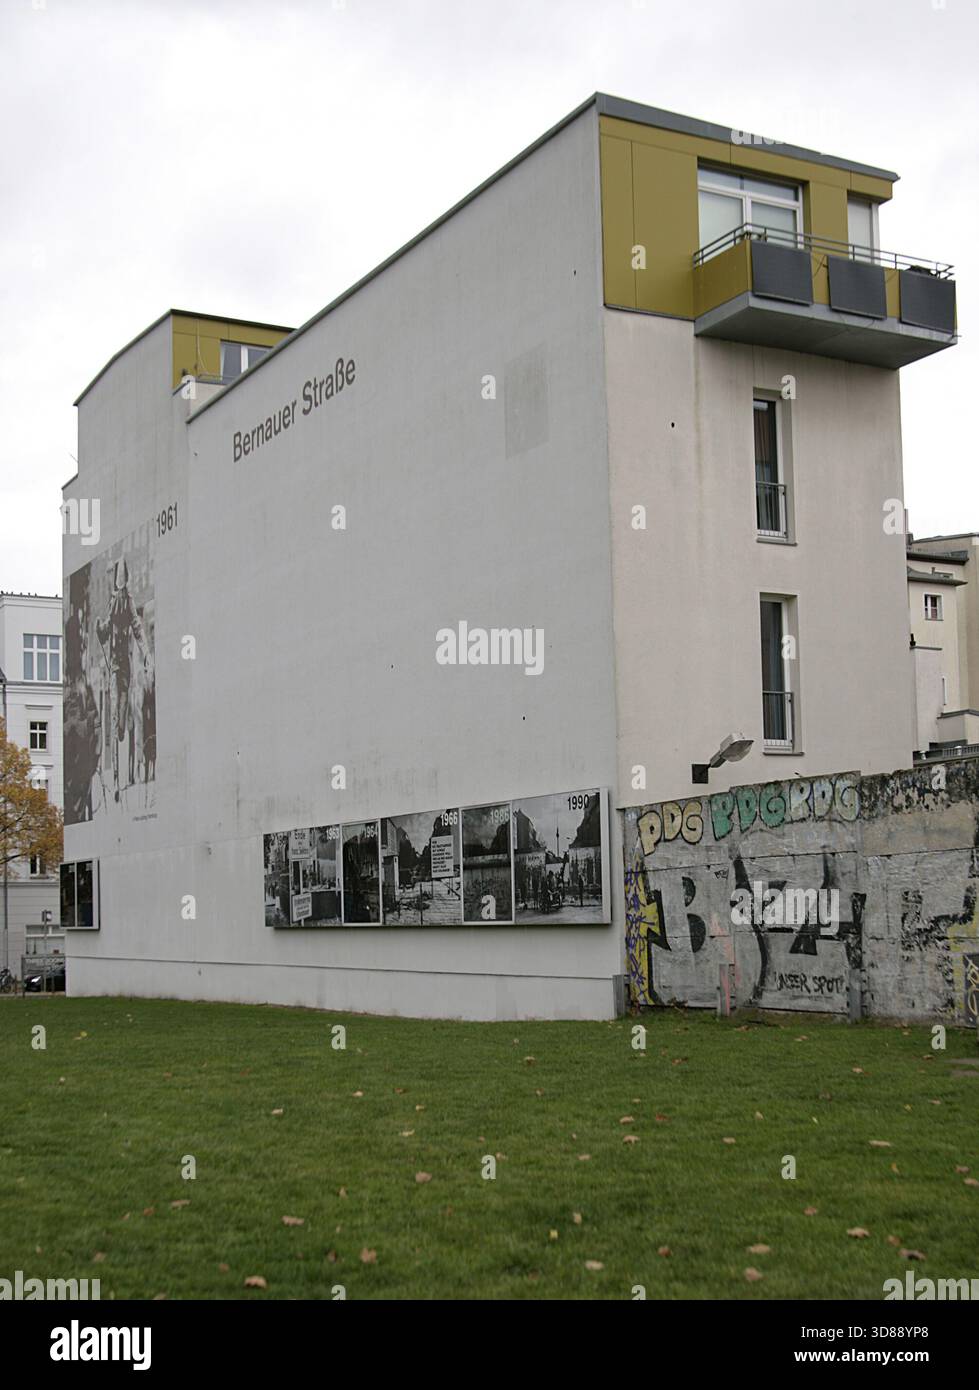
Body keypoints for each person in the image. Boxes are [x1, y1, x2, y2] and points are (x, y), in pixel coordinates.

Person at [96, 557, 149, 803]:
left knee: (121, 722)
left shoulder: (127, 602)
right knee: (115, 716)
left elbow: (137, 627)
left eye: (119, 576)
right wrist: (100, 627)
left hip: (125, 667)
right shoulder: (112, 603)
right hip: (115, 669)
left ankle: (120, 738)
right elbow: (106, 630)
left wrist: (146, 652)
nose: (118, 580)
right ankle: (116, 779)